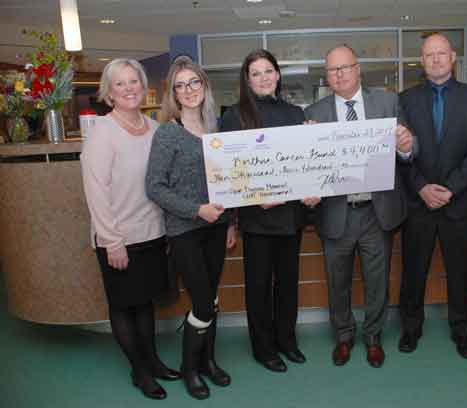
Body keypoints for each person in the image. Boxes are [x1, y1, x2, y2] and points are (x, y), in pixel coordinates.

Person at [304, 45, 415, 368]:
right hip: (336, 212)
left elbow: (409, 147)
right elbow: (307, 167)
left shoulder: (387, 102)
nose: (339, 74)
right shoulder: (313, 113)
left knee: (376, 280)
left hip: (376, 211)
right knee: (336, 281)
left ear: (358, 69)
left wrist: (406, 147)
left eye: (345, 67)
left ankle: (373, 337)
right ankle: (343, 336)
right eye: (332, 70)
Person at [80, 58, 180, 400]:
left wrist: (165, 230)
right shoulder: (102, 133)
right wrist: (112, 242)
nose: (128, 89)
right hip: (119, 238)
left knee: (145, 304)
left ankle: (152, 361)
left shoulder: (154, 129)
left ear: (143, 85)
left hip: (152, 234)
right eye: (119, 84)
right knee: (125, 306)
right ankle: (139, 372)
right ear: (109, 92)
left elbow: (162, 185)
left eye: (133, 81)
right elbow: (96, 191)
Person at [220, 49, 320, 373]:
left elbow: (304, 163)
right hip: (257, 218)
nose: (263, 78)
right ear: (247, 80)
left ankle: (287, 341)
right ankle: (263, 348)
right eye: (255, 73)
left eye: (268, 71)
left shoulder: (295, 114)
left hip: (290, 217)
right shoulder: (234, 116)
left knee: (288, 284)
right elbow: (229, 171)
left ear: (278, 75)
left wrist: (314, 141)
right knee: (259, 286)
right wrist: (253, 196)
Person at [145, 56, 235, 399]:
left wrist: (230, 223)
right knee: (201, 302)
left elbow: (228, 183)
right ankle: (190, 369)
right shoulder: (168, 134)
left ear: (205, 86)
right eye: (180, 85)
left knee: (210, 298)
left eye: (194, 82)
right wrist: (197, 210)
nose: (188, 90)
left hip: (217, 227)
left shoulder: (217, 132)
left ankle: (208, 362)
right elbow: (154, 187)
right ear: (174, 94)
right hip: (185, 230)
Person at [397, 33, 467, 359]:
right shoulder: (405, 100)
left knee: (462, 273)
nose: (435, 59)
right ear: (421, 62)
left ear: (452, 58)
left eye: (441, 54)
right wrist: (422, 187)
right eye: (428, 55)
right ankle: (410, 328)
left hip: (461, 201)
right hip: (417, 201)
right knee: (413, 271)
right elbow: (400, 152)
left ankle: (462, 332)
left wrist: (451, 188)